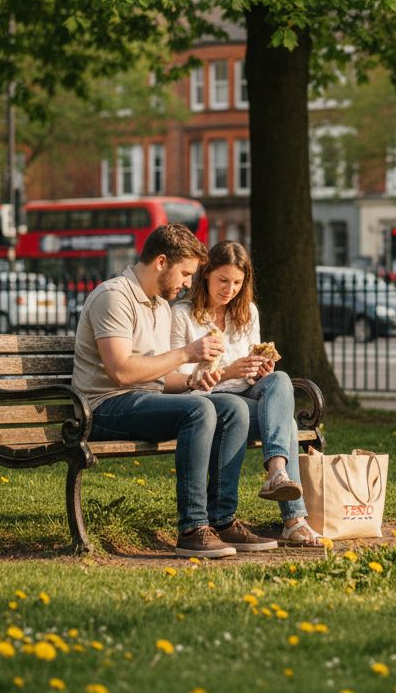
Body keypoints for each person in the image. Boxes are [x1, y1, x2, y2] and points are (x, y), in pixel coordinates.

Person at [72, 224, 277, 559]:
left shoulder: (159, 306)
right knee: (200, 410)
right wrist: (187, 354)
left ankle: (222, 520)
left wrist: (195, 381)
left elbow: (159, 376)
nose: (187, 283)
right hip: (103, 408)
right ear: (162, 262)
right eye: (185, 273)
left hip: (142, 400)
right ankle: (193, 528)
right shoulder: (115, 296)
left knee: (231, 407)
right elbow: (121, 372)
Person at [170, 241, 324, 547]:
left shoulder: (247, 313)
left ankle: (277, 473)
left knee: (279, 378)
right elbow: (178, 378)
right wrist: (228, 371)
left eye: (237, 283)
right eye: (223, 280)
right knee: (289, 425)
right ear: (206, 275)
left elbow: (252, 371)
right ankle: (293, 521)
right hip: (207, 403)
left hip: (246, 395)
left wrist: (258, 369)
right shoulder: (183, 315)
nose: (230, 289)